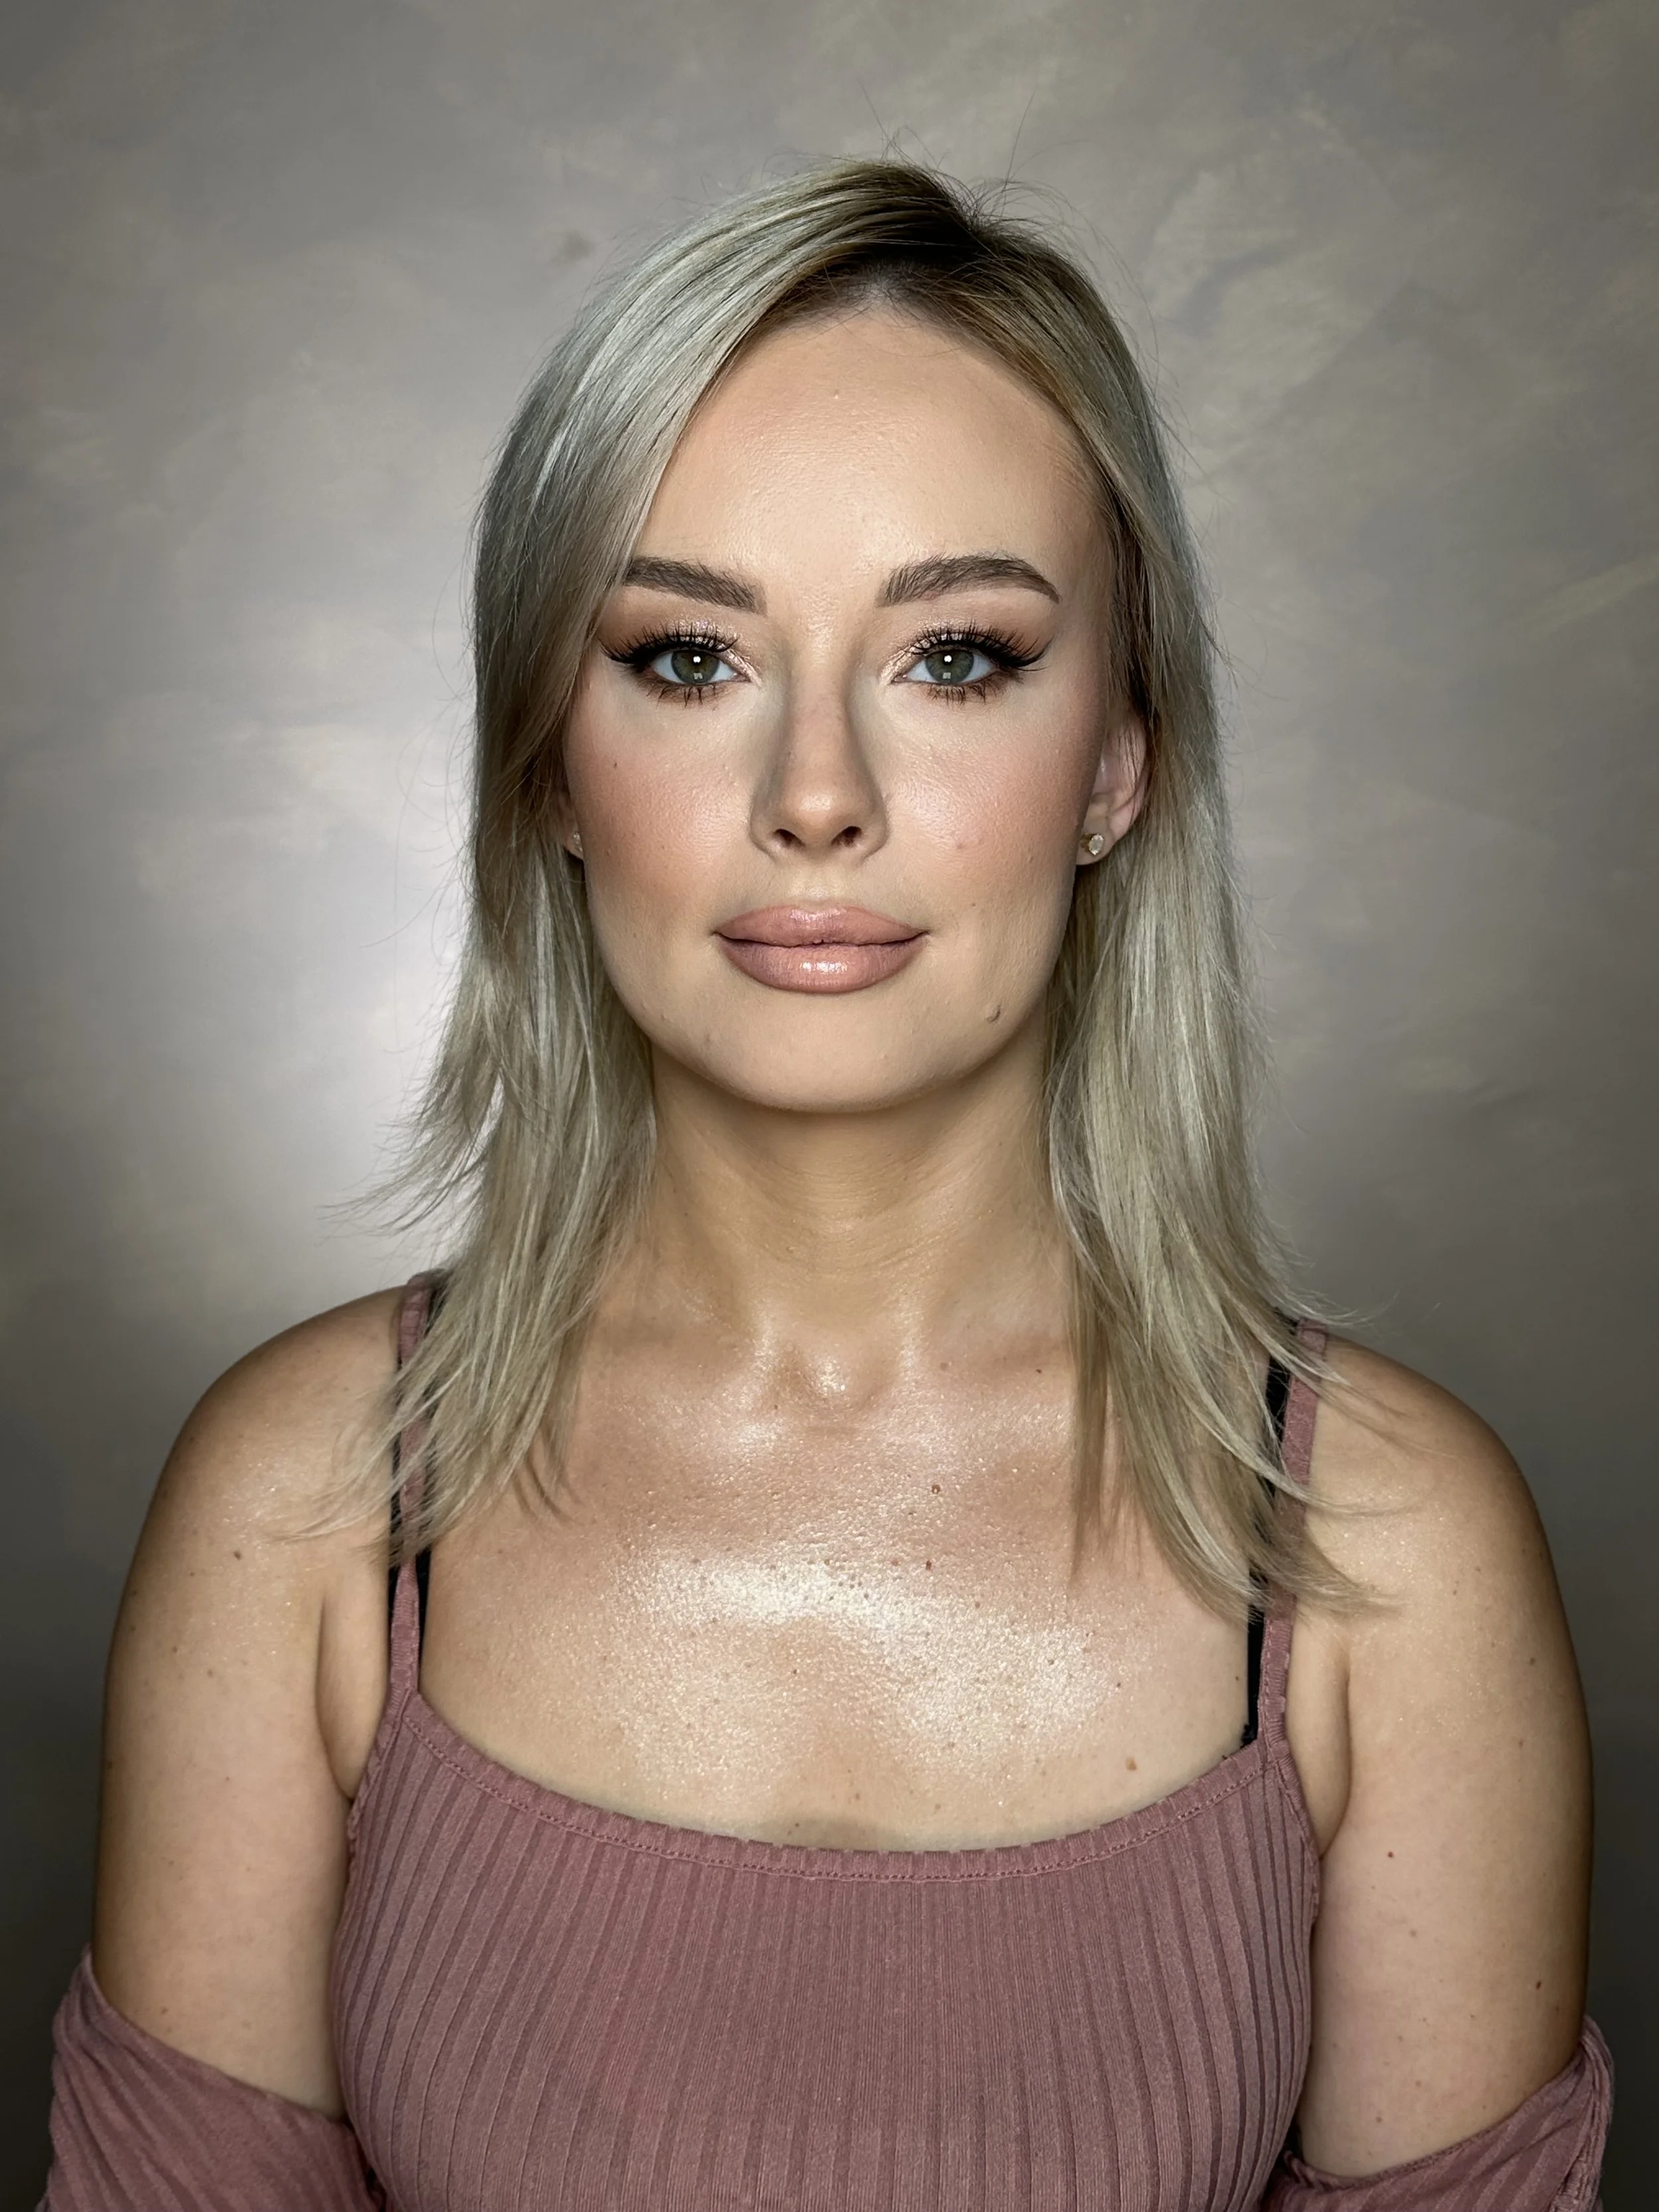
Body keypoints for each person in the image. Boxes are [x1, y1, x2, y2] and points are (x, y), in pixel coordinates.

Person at [42, 160, 1609, 2211]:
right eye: (689, 658)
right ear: (548, 763)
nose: (814, 796)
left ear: (1118, 762)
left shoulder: (1387, 1556)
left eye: (954, 656)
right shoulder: (308, 1508)